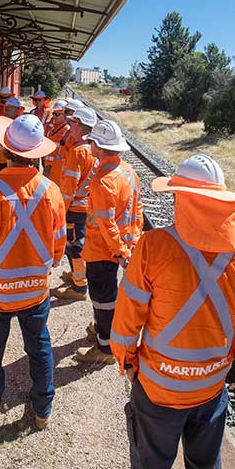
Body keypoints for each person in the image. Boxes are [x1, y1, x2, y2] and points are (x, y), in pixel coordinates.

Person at [111, 154, 235, 469]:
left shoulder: (153, 246)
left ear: (184, 200)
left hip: (158, 389)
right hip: (210, 387)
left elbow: (127, 321)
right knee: (205, 467)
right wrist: (223, 357)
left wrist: (128, 363)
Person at [0, 113, 66, 443]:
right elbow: (58, 245)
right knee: (39, 348)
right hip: (35, 293)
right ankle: (41, 412)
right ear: (39, 154)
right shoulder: (52, 191)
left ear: (5, 151)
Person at [75, 120, 143, 365]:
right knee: (109, 294)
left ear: (100, 147)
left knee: (102, 297)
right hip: (121, 246)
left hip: (103, 250)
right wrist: (131, 242)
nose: (89, 144)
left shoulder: (103, 180)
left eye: (92, 141)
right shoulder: (128, 171)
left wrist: (118, 251)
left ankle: (105, 349)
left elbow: (106, 223)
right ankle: (103, 328)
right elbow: (137, 208)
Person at [52, 106, 98, 301]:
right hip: (86, 206)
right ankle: (77, 275)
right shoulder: (94, 149)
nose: (70, 126)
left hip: (74, 208)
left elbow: (69, 187)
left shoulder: (78, 151)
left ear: (81, 126)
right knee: (78, 243)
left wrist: (61, 210)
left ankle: (79, 287)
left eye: (73, 123)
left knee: (74, 246)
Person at [0, 97, 23, 173]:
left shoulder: (21, 124)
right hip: (1, 159)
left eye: (11, 108)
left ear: (18, 110)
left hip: (15, 161)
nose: (7, 110)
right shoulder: (0, 122)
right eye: (7, 108)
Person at [42, 100, 70, 185]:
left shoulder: (67, 130)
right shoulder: (52, 128)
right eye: (53, 114)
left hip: (57, 169)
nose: (54, 117)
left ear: (65, 115)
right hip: (47, 167)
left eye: (57, 114)